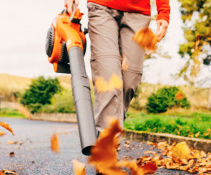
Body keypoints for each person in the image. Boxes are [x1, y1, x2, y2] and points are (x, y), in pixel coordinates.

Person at [64, 0, 170, 135]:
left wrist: (163, 11)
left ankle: (111, 133)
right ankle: (106, 142)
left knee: (130, 80)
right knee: (109, 75)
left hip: (139, 12)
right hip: (101, 6)